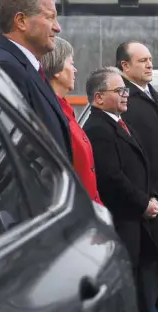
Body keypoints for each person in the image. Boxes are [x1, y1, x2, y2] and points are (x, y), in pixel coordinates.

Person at [83, 67, 158, 312]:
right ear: (99, 98)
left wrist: (152, 195)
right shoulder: (98, 129)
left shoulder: (119, 122)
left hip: (135, 223)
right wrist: (143, 203)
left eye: (125, 89)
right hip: (122, 224)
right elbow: (111, 177)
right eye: (119, 90)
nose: (125, 94)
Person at [115, 40, 158, 309]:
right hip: (144, 207)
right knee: (143, 280)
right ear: (125, 66)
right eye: (142, 61)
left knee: (153, 278)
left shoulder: (151, 93)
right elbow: (129, 160)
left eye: (150, 59)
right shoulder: (124, 102)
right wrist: (144, 200)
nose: (150, 64)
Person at [0, 0, 72, 159]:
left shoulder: (24, 66)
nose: (58, 27)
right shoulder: (7, 68)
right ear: (21, 21)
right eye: (50, 17)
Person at [40, 36, 102, 206]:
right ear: (58, 70)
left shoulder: (65, 109)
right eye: (71, 63)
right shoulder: (50, 114)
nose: (75, 70)